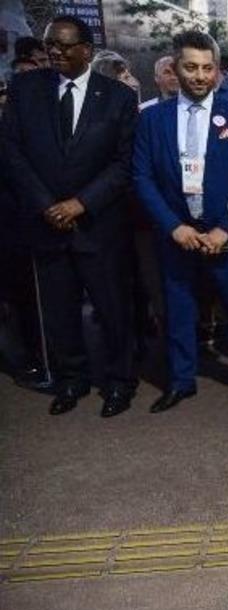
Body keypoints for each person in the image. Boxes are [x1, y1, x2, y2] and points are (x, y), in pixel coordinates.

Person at [1, 15, 139, 417]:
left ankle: (119, 382)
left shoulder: (117, 97)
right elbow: (11, 153)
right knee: (58, 311)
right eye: (50, 45)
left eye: (64, 45)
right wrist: (46, 204)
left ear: (87, 50)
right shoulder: (26, 89)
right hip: (45, 223)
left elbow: (123, 163)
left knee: (112, 310)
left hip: (98, 225)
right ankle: (71, 379)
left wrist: (81, 203)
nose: (55, 52)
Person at [133, 30, 228, 413]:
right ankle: (181, 381)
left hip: (226, 231)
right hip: (177, 233)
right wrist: (173, 226)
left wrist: (224, 229)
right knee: (178, 310)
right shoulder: (152, 119)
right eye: (191, 67)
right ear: (175, 67)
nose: (199, 76)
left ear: (217, 71)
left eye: (207, 68)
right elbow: (142, 177)